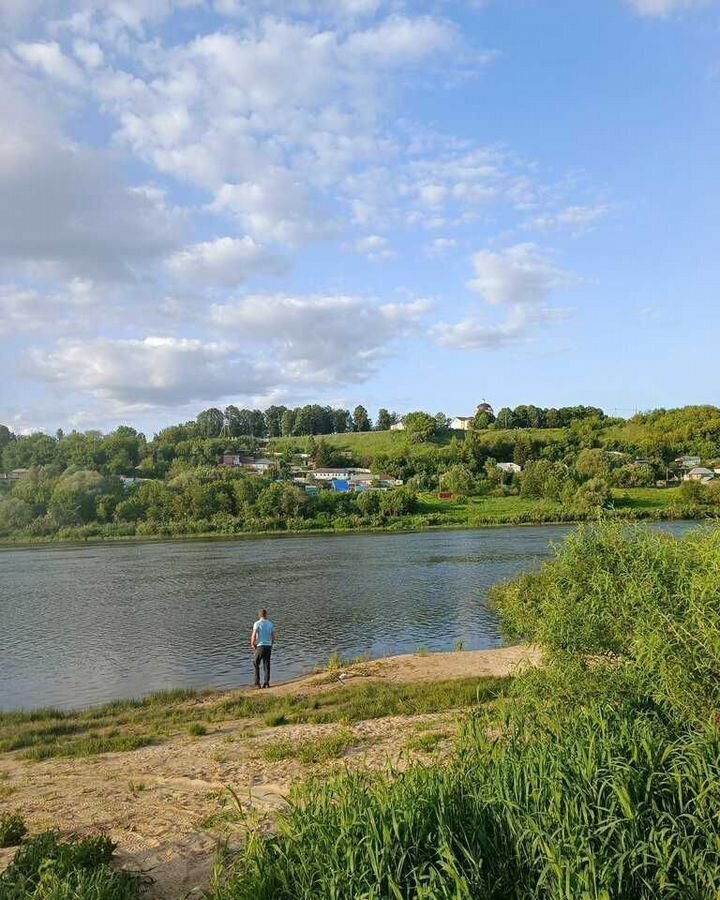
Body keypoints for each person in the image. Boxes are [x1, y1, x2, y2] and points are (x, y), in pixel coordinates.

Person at [251, 608, 275, 688]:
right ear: (266, 615)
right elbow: (273, 637)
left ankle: (257, 683)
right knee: (266, 664)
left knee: (255, 663)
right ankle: (266, 683)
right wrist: (271, 644)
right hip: (268, 646)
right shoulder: (270, 624)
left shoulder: (257, 623)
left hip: (260, 646)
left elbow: (254, 635)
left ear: (259, 615)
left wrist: (252, 643)